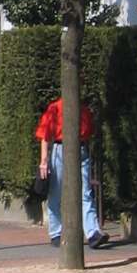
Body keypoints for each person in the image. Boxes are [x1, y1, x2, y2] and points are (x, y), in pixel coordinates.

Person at [35, 96, 109, 249]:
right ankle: (57, 232)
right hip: (63, 148)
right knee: (57, 192)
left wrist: (44, 161)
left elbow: (45, 135)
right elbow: (45, 136)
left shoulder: (82, 109)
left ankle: (92, 232)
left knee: (83, 192)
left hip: (77, 149)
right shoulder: (57, 108)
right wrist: (44, 161)